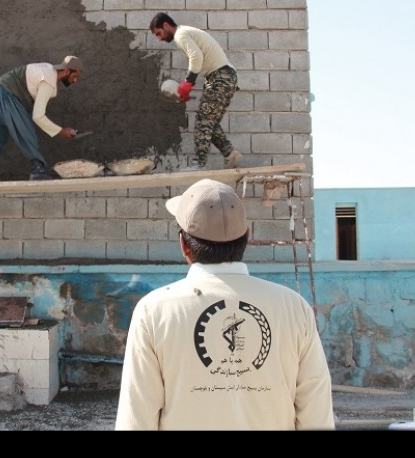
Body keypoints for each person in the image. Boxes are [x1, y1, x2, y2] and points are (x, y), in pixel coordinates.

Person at [115, 178, 335, 430]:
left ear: (184, 244)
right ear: (247, 237)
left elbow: (136, 418)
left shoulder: (154, 311)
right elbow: (316, 413)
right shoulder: (293, 308)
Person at [149, 12, 243, 171]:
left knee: (203, 121)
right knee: (209, 122)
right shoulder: (185, 33)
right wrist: (187, 85)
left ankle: (199, 164)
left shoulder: (180, 34)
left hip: (221, 76)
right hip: (222, 77)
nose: (159, 38)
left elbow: (196, 56)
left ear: (166, 25)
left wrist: (188, 82)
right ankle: (231, 154)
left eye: (159, 33)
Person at [0, 56, 84, 182]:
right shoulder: (48, 81)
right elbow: (38, 116)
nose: (75, 80)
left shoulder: (46, 69)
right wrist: (61, 131)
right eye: (75, 76)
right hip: (6, 93)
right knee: (25, 128)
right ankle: (38, 168)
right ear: (66, 71)